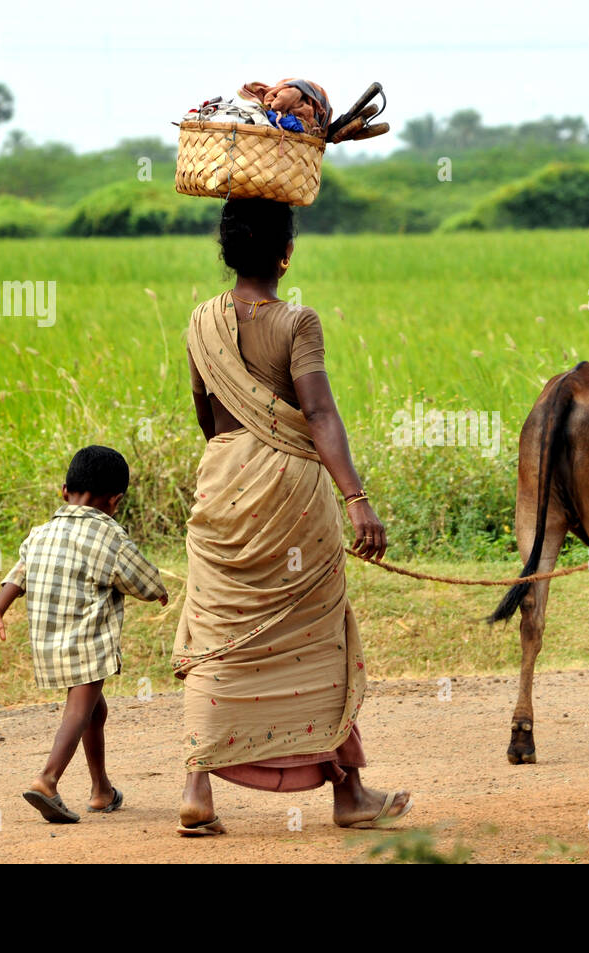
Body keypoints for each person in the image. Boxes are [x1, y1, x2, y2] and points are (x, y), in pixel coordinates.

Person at [174, 197, 412, 836]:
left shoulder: (200, 321)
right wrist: (357, 498)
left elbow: (205, 413)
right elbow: (321, 415)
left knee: (216, 635)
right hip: (291, 495)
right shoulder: (298, 322)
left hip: (222, 483)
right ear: (286, 254)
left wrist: (236, 456)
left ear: (226, 253)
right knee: (319, 635)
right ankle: (348, 791)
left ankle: (197, 789)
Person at [0, 445, 168, 823]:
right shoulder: (110, 536)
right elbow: (145, 583)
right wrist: (159, 591)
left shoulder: (41, 533)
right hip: (88, 642)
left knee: (94, 712)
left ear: (64, 491)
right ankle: (47, 780)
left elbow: (19, 573)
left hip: (49, 640)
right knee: (79, 711)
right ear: (115, 501)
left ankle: (101, 790)